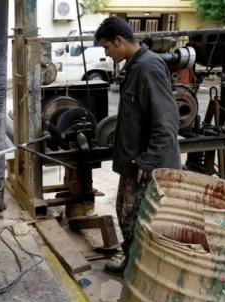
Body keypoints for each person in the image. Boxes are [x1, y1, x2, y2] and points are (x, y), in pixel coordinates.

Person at [95, 16, 181, 274]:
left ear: (120, 41)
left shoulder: (149, 67)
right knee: (125, 214)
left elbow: (167, 123)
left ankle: (142, 272)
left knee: (140, 220)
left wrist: (148, 159)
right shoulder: (134, 66)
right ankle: (132, 263)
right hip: (134, 163)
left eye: (107, 47)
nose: (107, 54)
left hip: (147, 165)